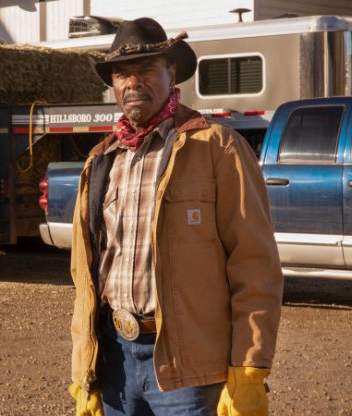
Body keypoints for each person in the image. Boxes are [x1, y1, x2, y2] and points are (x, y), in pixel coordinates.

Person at [68, 17, 284, 416]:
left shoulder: (218, 149)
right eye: (122, 74)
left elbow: (254, 265)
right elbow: (85, 277)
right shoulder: (101, 161)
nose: (133, 83)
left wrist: (249, 367)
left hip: (190, 369)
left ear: (171, 73)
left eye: (146, 69)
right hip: (114, 362)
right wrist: (85, 368)